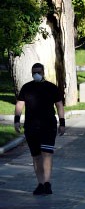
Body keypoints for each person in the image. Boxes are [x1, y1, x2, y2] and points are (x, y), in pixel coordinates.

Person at [14, 63, 65, 195]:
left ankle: (47, 183)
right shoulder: (27, 88)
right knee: (36, 156)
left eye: (38, 71)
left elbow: (59, 105)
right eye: (33, 72)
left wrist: (62, 123)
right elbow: (20, 103)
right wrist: (16, 120)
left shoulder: (51, 88)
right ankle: (40, 183)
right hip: (31, 127)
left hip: (48, 126)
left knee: (47, 154)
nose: (36, 74)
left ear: (43, 72)